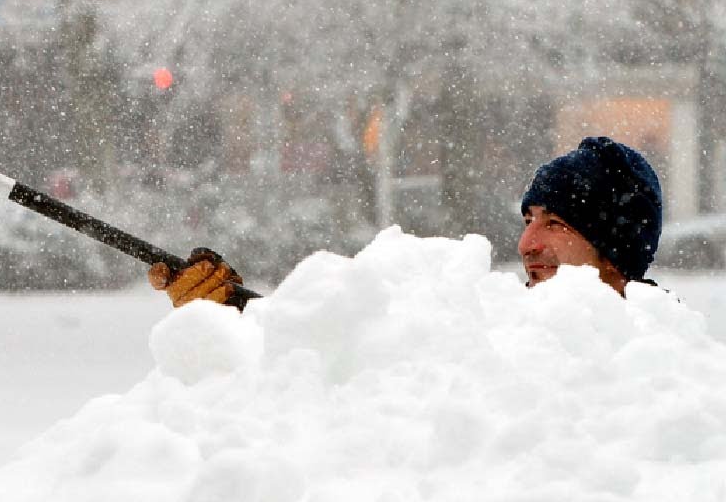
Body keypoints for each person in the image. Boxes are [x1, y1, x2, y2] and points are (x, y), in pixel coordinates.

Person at [149, 136, 663, 307]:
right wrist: (236, 316)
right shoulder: (485, 327)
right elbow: (373, 383)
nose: (527, 242)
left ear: (614, 246)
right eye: (529, 220)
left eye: (555, 224)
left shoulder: (667, 376)